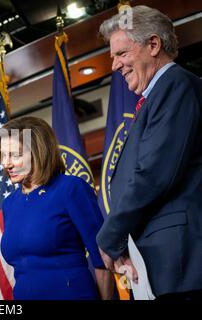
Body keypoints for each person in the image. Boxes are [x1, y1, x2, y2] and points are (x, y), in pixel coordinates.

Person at [96, 5, 202, 299]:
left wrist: (108, 237)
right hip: (164, 262)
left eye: (122, 53)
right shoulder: (156, 95)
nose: (115, 66)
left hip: (182, 261)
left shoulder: (175, 85)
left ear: (153, 45)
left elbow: (155, 172)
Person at [0, 116, 113, 300]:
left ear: (38, 152)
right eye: (3, 155)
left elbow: (103, 260)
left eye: (15, 155)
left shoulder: (71, 189)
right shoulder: (10, 203)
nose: (6, 164)